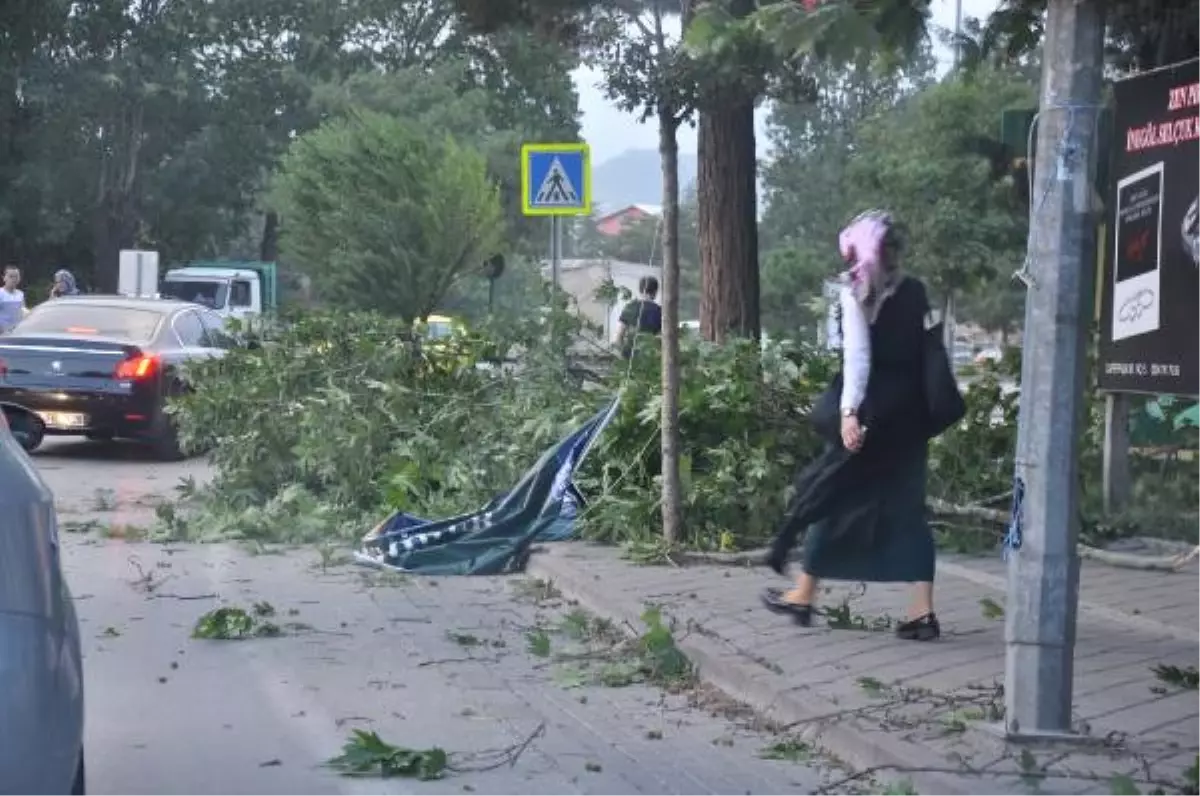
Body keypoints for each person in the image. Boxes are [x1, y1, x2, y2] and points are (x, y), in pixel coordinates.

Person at [762, 210, 940, 642]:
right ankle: (921, 612)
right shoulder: (916, 291)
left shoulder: (856, 292)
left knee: (832, 495)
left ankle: (804, 595)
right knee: (907, 510)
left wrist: (848, 414)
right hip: (910, 419)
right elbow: (932, 350)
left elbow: (858, 357)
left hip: (871, 417)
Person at [615, 276, 662, 358]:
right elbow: (660, 338)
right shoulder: (659, 311)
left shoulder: (630, 307)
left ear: (640, 290)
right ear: (655, 291)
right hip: (649, 356)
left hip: (629, 354)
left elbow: (620, 335)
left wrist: (621, 353)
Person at [0, 266, 27, 333]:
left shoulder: (20, 294)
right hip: (3, 334)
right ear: (4, 278)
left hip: (18, 332)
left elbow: (24, 311)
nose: (14, 279)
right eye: (11, 276)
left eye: (16, 276)